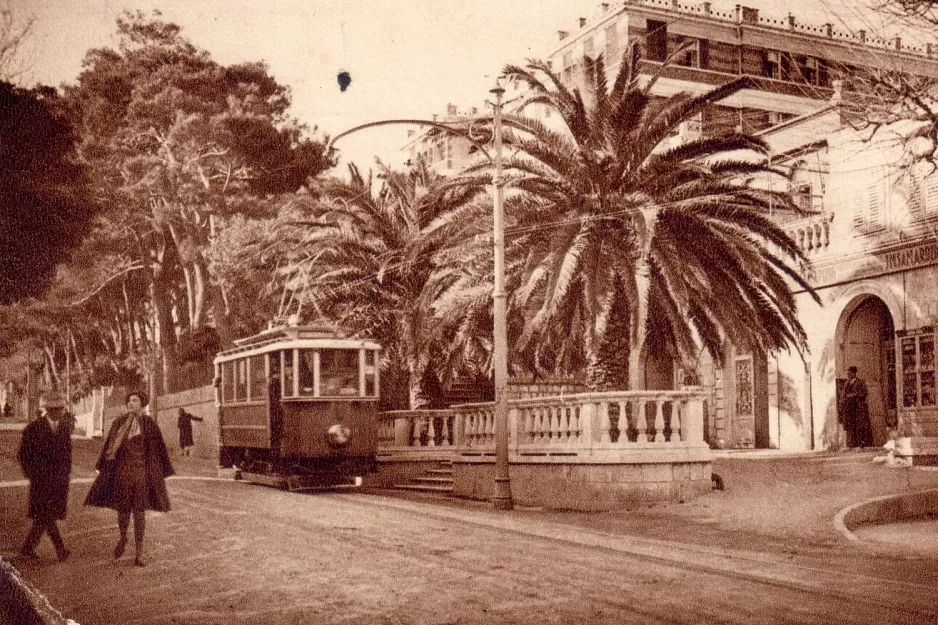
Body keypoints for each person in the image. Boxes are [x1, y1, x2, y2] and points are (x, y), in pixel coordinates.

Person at [84, 391, 173, 567]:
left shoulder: (149, 424)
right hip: (122, 473)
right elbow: (110, 444)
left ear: (142, 403)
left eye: (135, 400)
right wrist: (102, 465)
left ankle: (139, 553)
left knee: (139, 513)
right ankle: (123, 538)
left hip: (141, 474)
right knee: (123, 511)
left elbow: (158, 449)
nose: (131, 403)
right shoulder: (119, 423)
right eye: (129, 400)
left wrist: (159, 472)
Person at [17, 391, 72, 562]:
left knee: (45, 516)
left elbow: (67, 455)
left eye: (61, 408)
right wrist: (33, 474)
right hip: (41, 481)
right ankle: (59, 550)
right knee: (45, 515)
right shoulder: (34, 428)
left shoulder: (64, 428)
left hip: (58, 481)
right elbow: (23, 455)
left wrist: (65, 475)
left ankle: (28, 549)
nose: (60, 412)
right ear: (48, 410)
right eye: (56, 409)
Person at [840, 366, 874, 448]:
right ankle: (853, 444)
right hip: (850, 408)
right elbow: (843, 394)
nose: (848, 374)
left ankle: (862, 443)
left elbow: (864, 393)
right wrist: (845, 399)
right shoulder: (847, 383)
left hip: (858, 407)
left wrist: (855, 395)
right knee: (851, 426)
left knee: (860, 426)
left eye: (850, 373)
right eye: (847, 373)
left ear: (854, 373)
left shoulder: (860, 382)